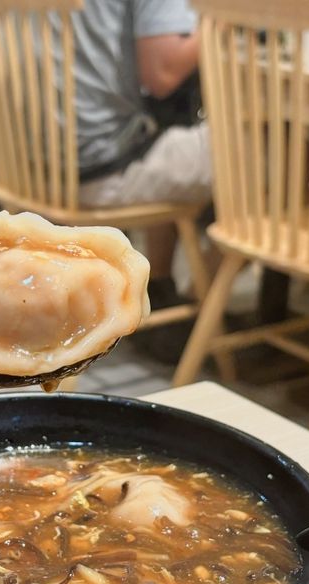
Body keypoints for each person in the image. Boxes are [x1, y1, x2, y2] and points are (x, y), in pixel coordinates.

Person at [63, 0, 212, 360]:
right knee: (288, 148)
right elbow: (162, 73)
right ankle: (201, 308)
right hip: (102, 167)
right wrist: (221, 18)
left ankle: (159, 287)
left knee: (167, 132)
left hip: (33, 161)